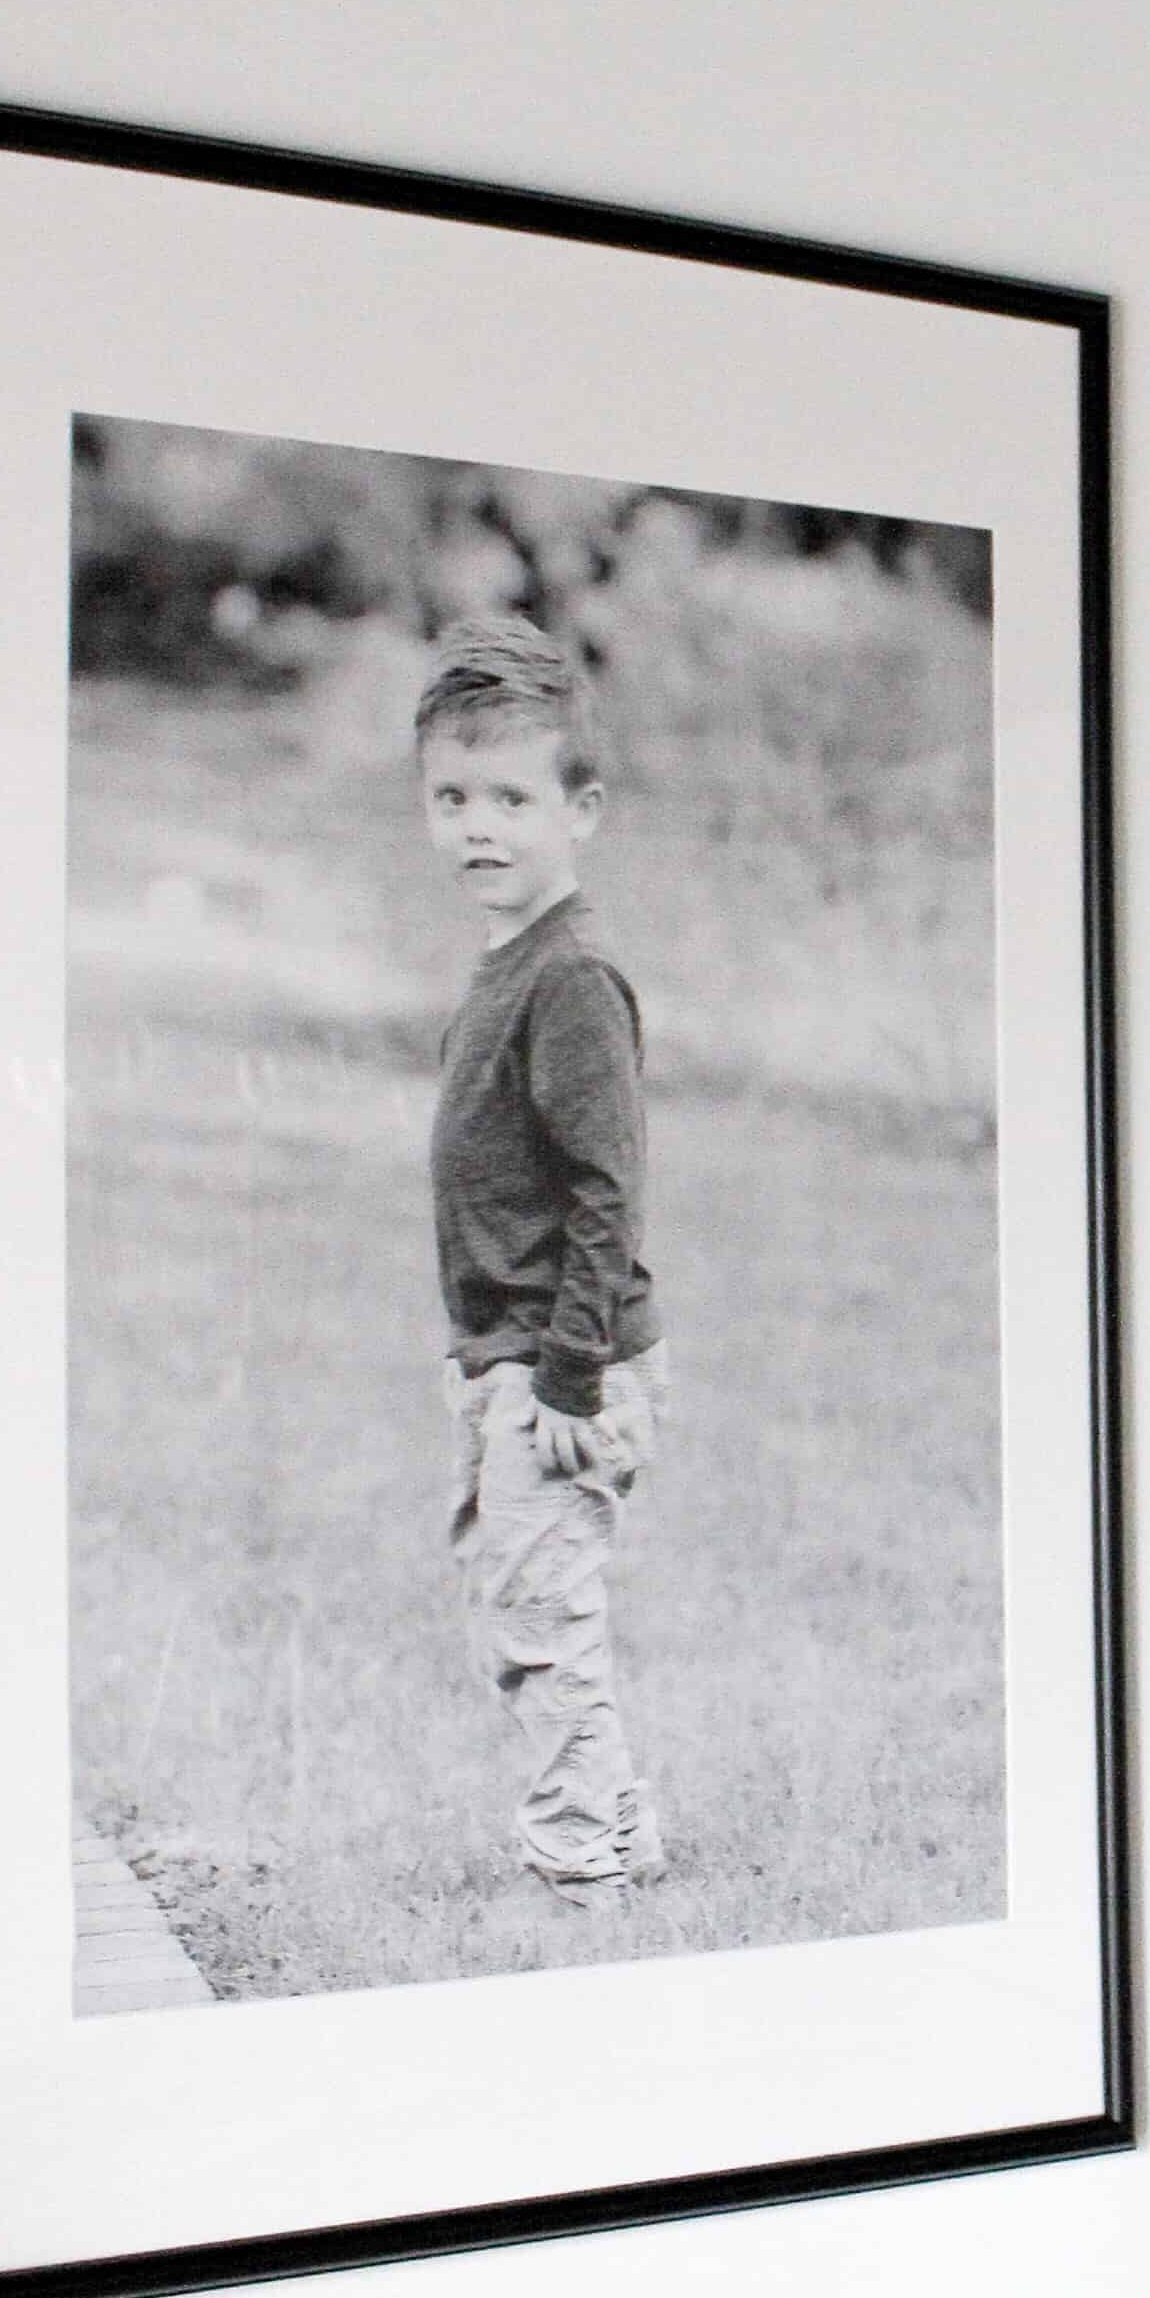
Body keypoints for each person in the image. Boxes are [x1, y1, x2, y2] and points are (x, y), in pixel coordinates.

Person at [416, 613, 668, 1906]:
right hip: (516, 1357)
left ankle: (576, 1876)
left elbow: (606, 1192)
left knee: (539, 1617)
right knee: (529, 1594)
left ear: (584, 809)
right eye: (452, 795)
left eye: (512, 796)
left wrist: (568, 1378)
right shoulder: (509, 961)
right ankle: (621, 1833)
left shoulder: (572, 977)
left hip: (561, 1369)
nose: (478, 825)